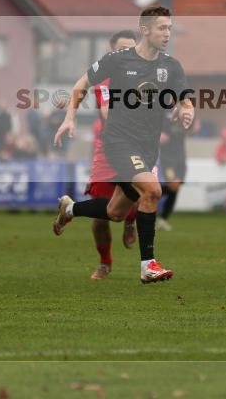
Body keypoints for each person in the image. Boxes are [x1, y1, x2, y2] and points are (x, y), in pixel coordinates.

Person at [52, 6, 193, 284]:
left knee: (115, 212)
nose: (167, 33)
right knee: (152, 191)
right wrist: (69, 118)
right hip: (118, 142)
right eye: (162, 28)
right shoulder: (117, 60)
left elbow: (185, 98)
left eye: (169, 28)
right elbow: (82, 84)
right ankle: (148, 265)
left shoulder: (171, 66)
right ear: (145, 30)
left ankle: (70, 209)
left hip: (147, 147)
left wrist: (187, 110)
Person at [83, 29, 139, 280]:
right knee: (101, 215)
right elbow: (106, 111)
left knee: (146, 193)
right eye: (121, 49)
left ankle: (131, 219)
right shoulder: (105, 80)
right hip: (109, 149)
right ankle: (105, 262)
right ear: (111, 50)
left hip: (137, 147)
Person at [158, 106, 190, 231]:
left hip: (181, 158)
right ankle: (145, 198)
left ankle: (163, 219)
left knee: (175, 189)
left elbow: (192, 127)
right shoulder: (162, 113)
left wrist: (194, 127)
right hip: (168, 159)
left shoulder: (184, 112)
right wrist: (158, 136)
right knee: (173, 185)